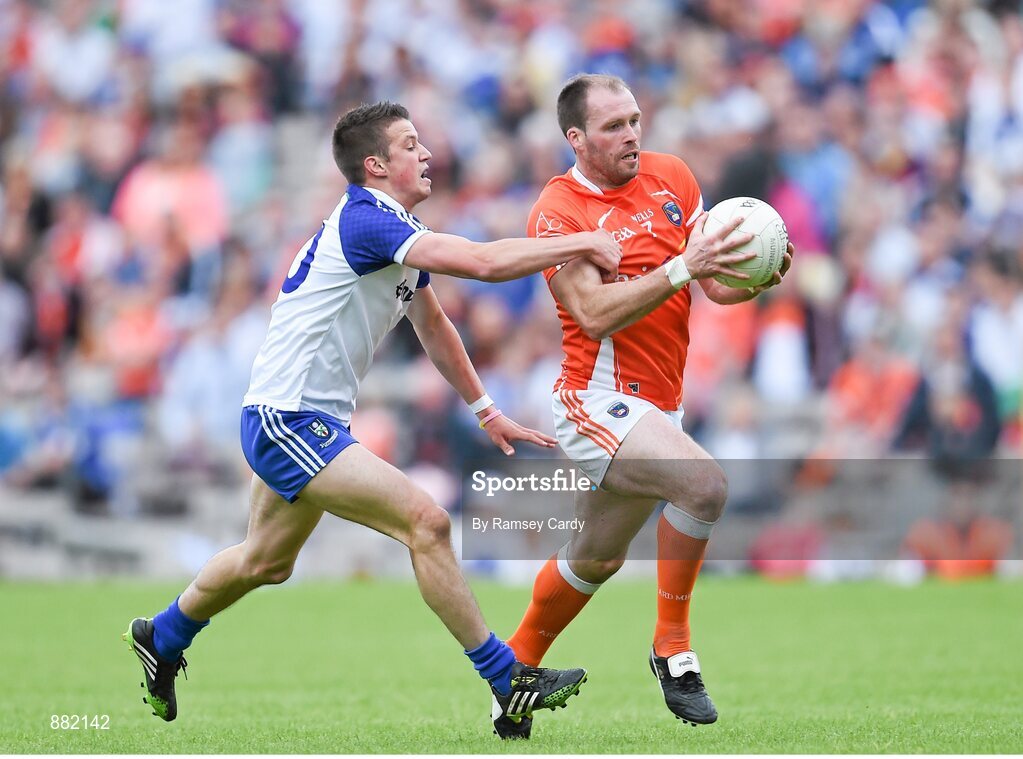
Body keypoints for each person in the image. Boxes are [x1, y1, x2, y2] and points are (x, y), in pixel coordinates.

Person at [123, 101, 622, 731]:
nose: (427, 153)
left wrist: (486, 409)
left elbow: (434, 325)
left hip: (303, 419)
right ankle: (508, 676)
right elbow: (483, 263)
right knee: (428, 523)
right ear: (376, 165)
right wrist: (583, 238)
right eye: (411, 144)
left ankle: (161, 637)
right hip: (290, 419)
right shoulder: (369, 219)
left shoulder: (390, 232)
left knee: (265, 562)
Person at [497, 75, 794, 738]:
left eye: (633, 119)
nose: (630, 133)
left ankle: (510, 677)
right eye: (611, 126)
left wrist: (752, 276)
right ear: (575, 139)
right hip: (592, 402)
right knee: (705, 485)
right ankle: (672, 647)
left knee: (595, 558)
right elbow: (592, 313)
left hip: (658, 408)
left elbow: (706, 283)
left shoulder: (672, 177)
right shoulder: (558, 210)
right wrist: (686, 269)